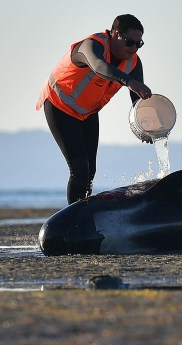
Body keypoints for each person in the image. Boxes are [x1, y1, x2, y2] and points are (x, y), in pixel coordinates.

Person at [37, 14, 153, 204]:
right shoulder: (91, 46)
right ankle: (73, 224)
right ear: (115, 34)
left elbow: (137, 100)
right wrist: (129, 81)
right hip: (60, 107)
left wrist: (147, 126)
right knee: (79, 169)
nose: (133, 49)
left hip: (87, 113)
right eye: (129, 42)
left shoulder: (133, 63)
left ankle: (84, 217)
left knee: (90, 172)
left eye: (138, 44)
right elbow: (99, 66)